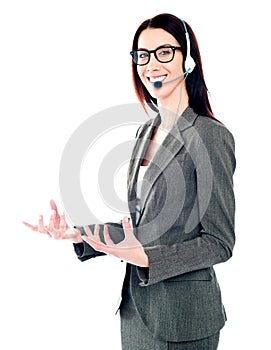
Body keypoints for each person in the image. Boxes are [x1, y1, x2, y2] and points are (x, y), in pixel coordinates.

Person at [23, 13, 236, 350]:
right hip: (137, 312)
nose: (152, 64)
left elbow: (220, 242)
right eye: (142, 55)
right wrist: (78, 233)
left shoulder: (210, 136)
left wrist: (149, 258)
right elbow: (141, 229)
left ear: (188, 58)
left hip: (185, 320)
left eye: (164, 52)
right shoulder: (146, 131)